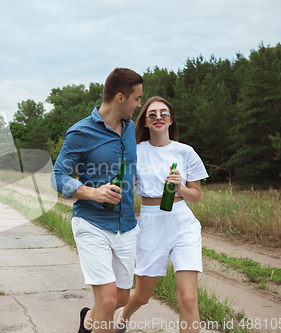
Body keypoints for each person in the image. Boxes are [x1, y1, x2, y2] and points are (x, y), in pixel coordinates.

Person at [51, 68, 143, 333]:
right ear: (120, 98)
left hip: (126, 225)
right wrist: (93, 192)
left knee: (122, 298)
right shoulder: (80, 132)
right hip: (91, 222)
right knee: (109, 299)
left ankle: (89, 319)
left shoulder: (129, 130)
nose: (139, 104)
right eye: (137, 99)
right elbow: (58, 176)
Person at [116, 96, 208, 333]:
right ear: (145, 122)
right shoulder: (135, 153)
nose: (158, 118)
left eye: (164, 113)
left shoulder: (186, 152)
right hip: (150, 222)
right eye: (152, 114)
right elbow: (123, 190)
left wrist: (180, 187)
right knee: (142, 296)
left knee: (188, 298)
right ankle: (123, 318)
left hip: (183, 223)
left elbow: (196, 195)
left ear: (171, 120)